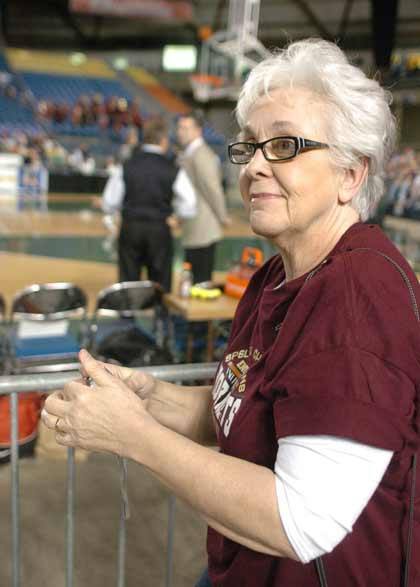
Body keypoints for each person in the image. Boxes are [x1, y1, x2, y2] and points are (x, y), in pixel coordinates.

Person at [41, 38, 420, 587]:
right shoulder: (276, 275)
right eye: (249, 148)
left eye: (285, 145)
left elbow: (300, 521)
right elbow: (248, 409)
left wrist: (133, 437)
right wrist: (149, 401)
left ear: (351, 175)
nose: (256, 166)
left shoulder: (359, 293)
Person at [115, 117, 180, 292]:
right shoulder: (171, 167)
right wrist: (176, 216)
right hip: (159, 229)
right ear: (164, 140)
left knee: (128, 281)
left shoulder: (128, 164)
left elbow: (110, 200)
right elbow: (190, 203)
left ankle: (128, 317)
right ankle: (160, 317)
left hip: (130, 227)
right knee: (160, 282)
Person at [176, 111, 230, 284]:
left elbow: (212, 188)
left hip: (203, 227)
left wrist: (222, 216)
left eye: (185, 128)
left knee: (200, 281)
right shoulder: (190, 153)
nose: (180, 131)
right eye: (179, 127)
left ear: (198, 131)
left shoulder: (201, 155)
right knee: (193, 280)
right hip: (194, 226)